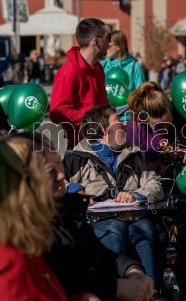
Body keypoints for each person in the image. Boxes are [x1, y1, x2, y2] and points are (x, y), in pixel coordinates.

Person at [6, 131, 154, 301]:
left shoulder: (68, 212)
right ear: (25, 181)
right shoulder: (18, 235)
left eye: (58, 165)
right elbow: (64, 275)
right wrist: (112, 288)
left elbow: (98, 254)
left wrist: (133, 270)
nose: (61, 175)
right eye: (50, 171)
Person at [63, 104, 164, 290]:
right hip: (99, 218)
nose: (124, 125)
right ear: (104, 130)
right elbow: (56, 182)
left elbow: (155, 184)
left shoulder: (132, 155)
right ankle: (114, 290)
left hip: (134, 214)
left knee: (143, 230)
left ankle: (152, 289)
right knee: (114, 228)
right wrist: (74, 189)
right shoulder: (77, 157)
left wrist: (136, 195)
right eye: (118, 120)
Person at [0, 135, 66, 300]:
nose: (61, 176)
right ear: (22, 187)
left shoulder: (27, 243)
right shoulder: (9, 263)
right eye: (49, 172)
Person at [50, 18, 110, 148]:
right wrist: (95, 116)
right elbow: (57, 113)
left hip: (103, 140)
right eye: (108, 37)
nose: (110, 43)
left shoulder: (98, 68)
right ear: (96, 41)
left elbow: (101, 104)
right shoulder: (67, 73)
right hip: (80, 146)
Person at [126, 82, 186, 175]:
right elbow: (132, 164)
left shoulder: (183, 114)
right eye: (158, 127)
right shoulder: (135, 128)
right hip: (154, 179)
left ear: (170, 109)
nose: (165, 129)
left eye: (169, 123)